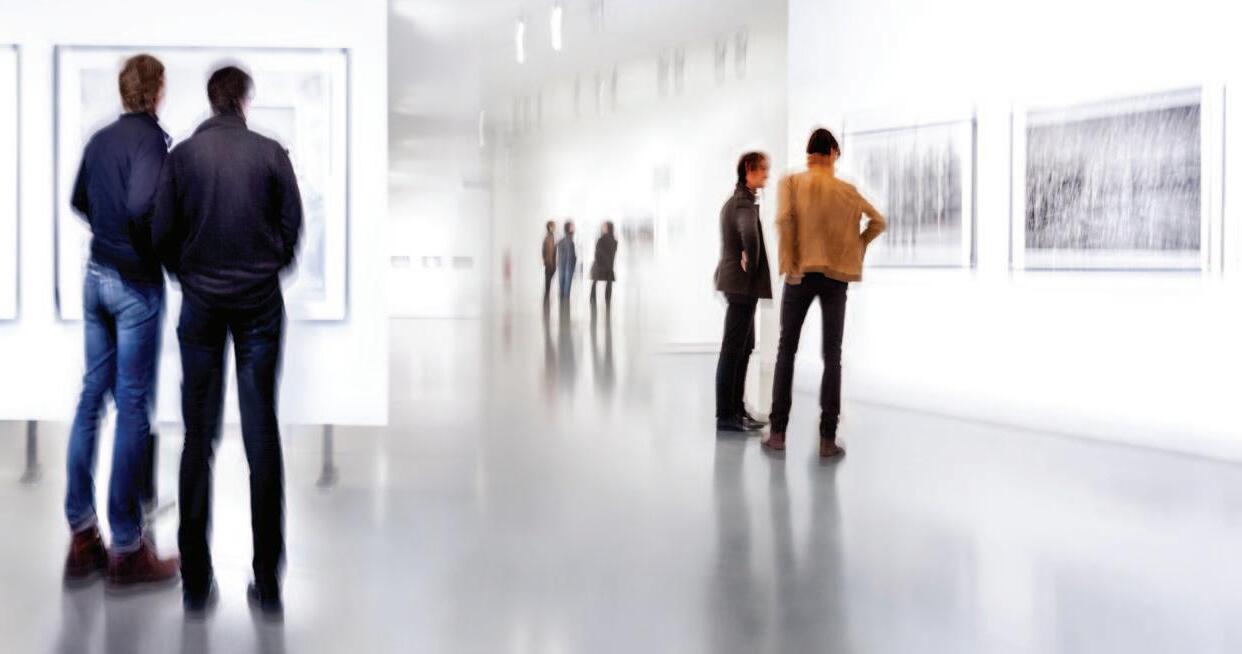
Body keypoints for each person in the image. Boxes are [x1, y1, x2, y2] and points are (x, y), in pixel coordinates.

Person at [153, 65, 302, 616]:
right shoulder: (270, 153)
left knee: (198, 437)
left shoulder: (182, 157)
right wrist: (267, 268)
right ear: (243, 100)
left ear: (212, 99)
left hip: (201, 304)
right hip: (259, 305)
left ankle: (195, 581)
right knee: (262, 436)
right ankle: (268, 582)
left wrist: (188, 274)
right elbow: (293, 228)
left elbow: (162, 233)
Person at [62, 54, 179, 589]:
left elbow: (79, 200)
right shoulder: (152, 141)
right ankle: (128, 549)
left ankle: (82, 536)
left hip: (95, 277)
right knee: (132, 406)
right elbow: (140, 206)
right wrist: (154, 247)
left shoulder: (100, 139)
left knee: (91, 398)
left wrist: (110, 233)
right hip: (134, 285)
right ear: (156, 91)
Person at [764, 128, 886, 457]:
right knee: (833, 356)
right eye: (837, 154)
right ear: (832, 152)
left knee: (786, 350)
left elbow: (784, 221)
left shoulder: (791, 182)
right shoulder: (847, 190)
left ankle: (777, 434)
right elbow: (878, 221)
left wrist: (790, 265)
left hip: (800, 274)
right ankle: (827, 439)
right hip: (836, 278)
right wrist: (856, 247)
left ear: (810, 153)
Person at [714, 152, 773, 433]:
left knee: (744, 348)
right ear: (748, 169)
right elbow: (749, 234)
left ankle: (737, 410)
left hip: (738, 286)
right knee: (733, 350)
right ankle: (727, 415)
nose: (767, 175)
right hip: (740, 286)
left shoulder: (739, 200)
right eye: (763, 170)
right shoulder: (742, 203)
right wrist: (751, 263)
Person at [589, 221, 618, 308]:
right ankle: (607, 300)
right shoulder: (614, 240)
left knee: (595, 282)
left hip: (600, 264)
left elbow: (597, 252)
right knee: (607, 283)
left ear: (608, 228)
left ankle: (593, 299)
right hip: (608, 264)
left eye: (604, 227)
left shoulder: (601, 239)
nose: (603, 228)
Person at [556, 221, 577, 302]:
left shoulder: (561, 240)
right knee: (566, 287)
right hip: (568, 266)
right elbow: (570, 256)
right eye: (572, 227)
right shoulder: (569, 241)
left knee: (561, 284)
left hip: (561, 265)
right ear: (568, 228)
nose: (574, 228)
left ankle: (562, 301)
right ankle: (565, 303)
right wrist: (573, 265)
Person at [542, 220, 557, 302]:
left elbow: (544, 251)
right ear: (550, 227)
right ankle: (546, 297)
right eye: (553, 226)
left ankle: (547, 296)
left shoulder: (550, 237)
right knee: (548, 280)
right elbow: (546, 251)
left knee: (548, 280)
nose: (555, 227)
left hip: (550, 262)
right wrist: (549, 262)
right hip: (550, 263)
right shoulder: (549, 238)